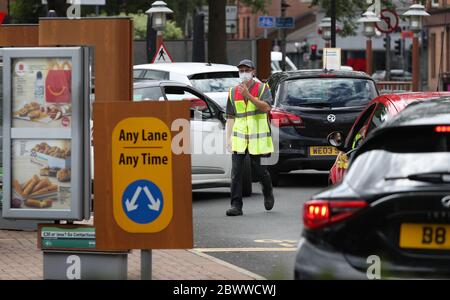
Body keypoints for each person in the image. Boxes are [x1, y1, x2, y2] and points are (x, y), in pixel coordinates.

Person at [225, 59, 275, 216]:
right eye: (241, 70)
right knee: (236, 173)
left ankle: (267, 191)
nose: (243, 73)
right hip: (239, 139)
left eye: (247, 70)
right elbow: (230, 117)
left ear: (253, 71)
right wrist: (228, 138)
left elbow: (267, 107)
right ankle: (236, 206)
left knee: (260, 172)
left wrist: (249, 96)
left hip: (257, 138)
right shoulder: (233, 92)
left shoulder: (262, 89)